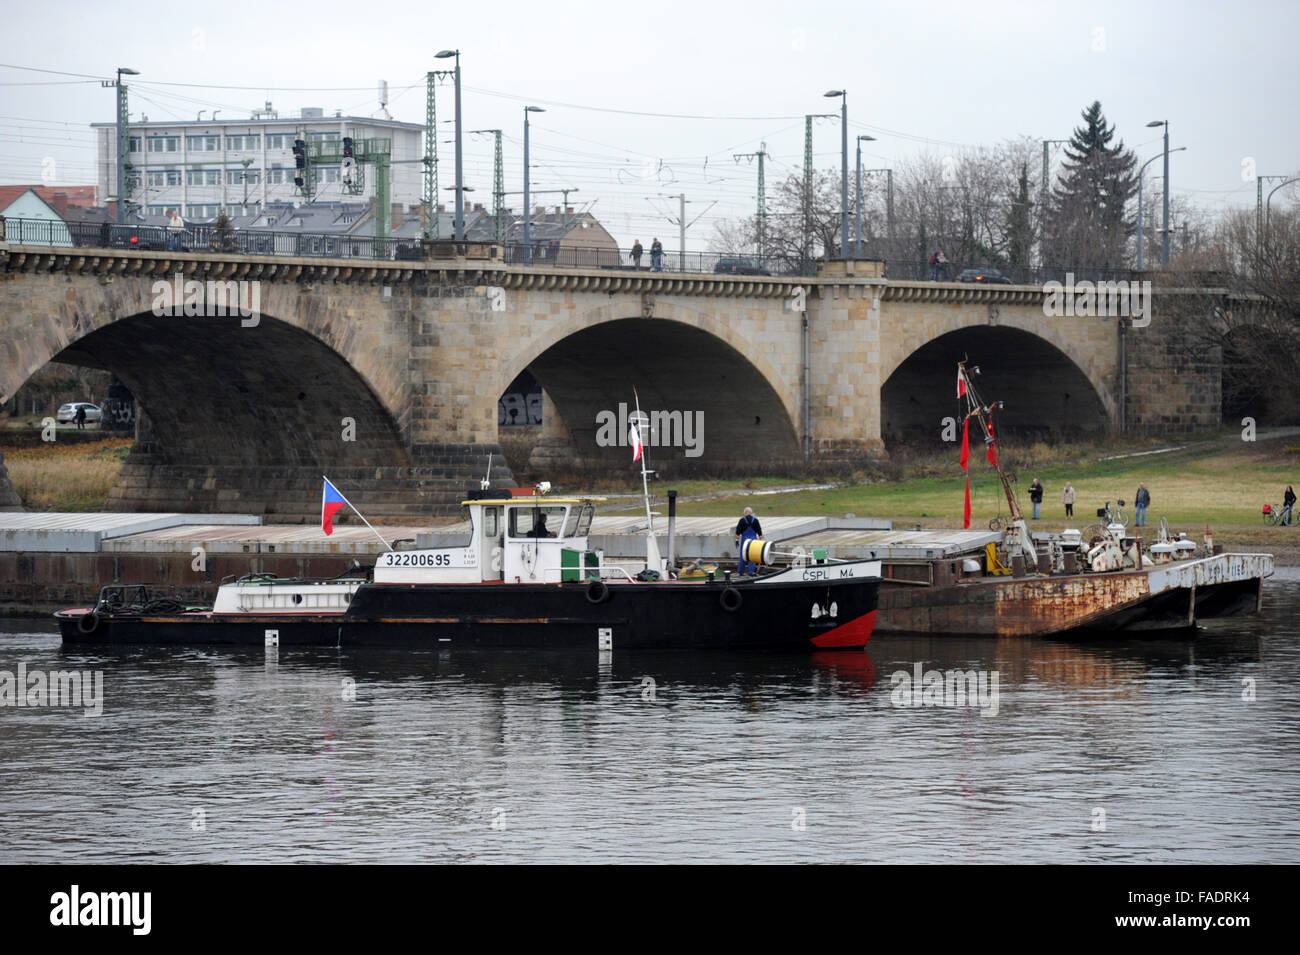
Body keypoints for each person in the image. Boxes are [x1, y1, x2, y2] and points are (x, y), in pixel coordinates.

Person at [734, 506, 763, 575]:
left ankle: (741, 572)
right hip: (753, 542)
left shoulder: (742, 520)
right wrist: (761, 543)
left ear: (745, 513)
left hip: (745, 541)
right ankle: (750, 572)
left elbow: (737, 533)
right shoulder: (755, 520)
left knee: (743, 556)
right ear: (751, 513)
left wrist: (736, 540)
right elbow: (760, 534)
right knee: (752, 556)